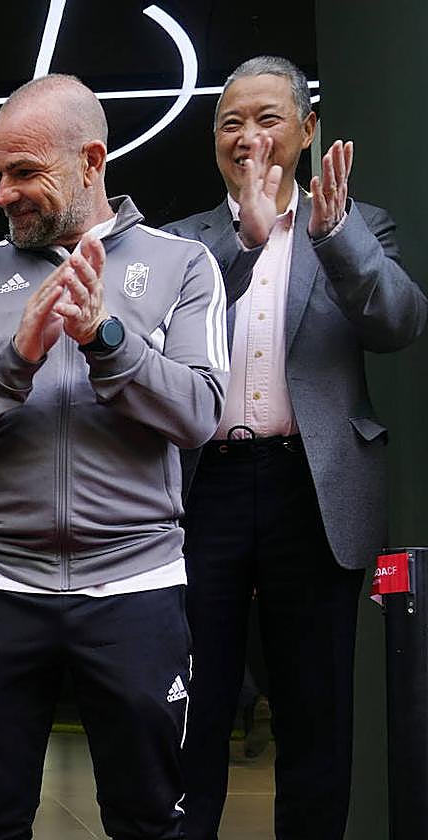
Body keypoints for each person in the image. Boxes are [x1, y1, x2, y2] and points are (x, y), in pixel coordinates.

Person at [0, 74, 229, 839]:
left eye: (24, 173)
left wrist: (105, 340)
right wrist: (13, 359)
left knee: (149, 815)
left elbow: (200, 414)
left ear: (91, 161)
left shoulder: (182, 264)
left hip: (137, 584)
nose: (3, 193)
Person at [163, 55, 427, 840]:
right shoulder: (182, 244)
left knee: (315, 709)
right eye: (230, 123)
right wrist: (246, 244)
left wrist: (333, 236)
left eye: (268, 118)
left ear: (308, 130)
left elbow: (398, 322)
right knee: (192, 700)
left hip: (312, 488)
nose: (248, 137)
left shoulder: (358, 225)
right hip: (202, 489)